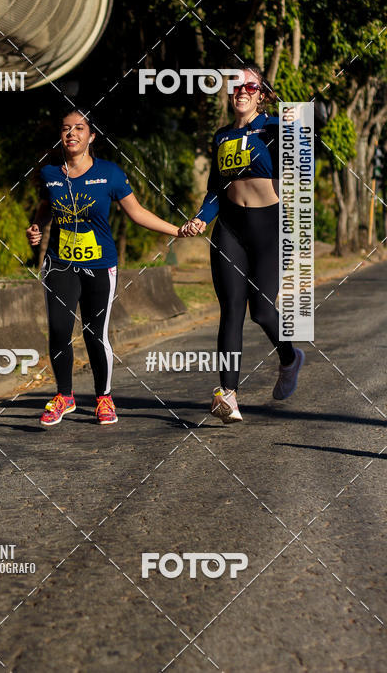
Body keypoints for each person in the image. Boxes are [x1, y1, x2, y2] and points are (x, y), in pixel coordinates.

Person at [27, 109, 184, 427]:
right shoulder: (50, 175)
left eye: (79, 128)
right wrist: (36, 227)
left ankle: (104, 397)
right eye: (66, 128)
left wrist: (176, 231)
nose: (71, 133)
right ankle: (64, 396)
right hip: (60, 264)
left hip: (100, 266)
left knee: (94, 333)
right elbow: (45, 210)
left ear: (91, 136)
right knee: (58, 330)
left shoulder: (110, 174)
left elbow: (137, 213)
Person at [181, 63, 305, 423]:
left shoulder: (274, 128)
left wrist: (293, 125)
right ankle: (229, 394)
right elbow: (216, 190)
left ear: (262, 94)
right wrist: (203, 216)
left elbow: (300, 154)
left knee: (263, 312)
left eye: (250, 87)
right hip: (229, 229)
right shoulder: (220, 136)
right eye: (236, 86)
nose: (241, 92)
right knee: (232, 309)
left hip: (268, 229)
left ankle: (289, 357)